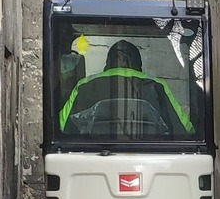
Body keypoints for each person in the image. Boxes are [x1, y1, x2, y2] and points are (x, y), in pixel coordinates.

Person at [58, 38, 193, 136]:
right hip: (150, 157)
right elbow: (184, 128)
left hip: (94, 157)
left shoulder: (85, 85)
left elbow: (63, 124)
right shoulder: (157, 85)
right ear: (138, 65)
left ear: (108, 63)